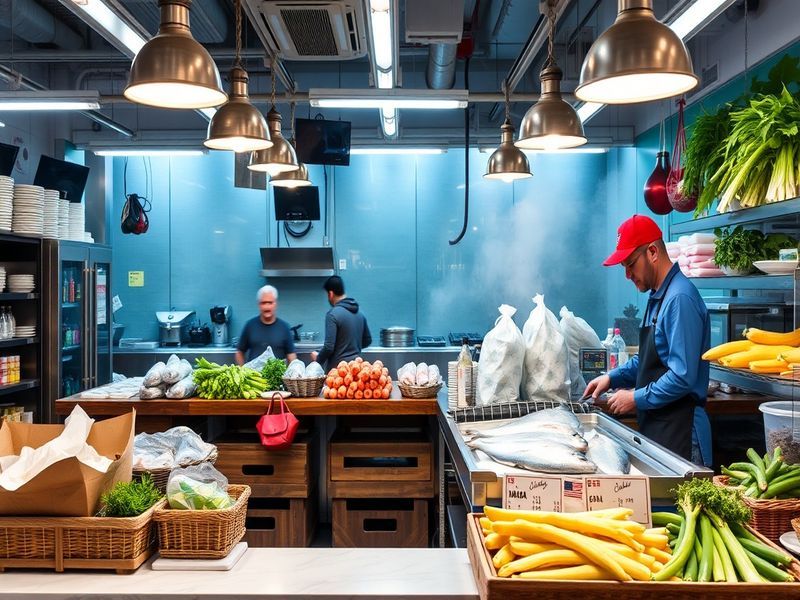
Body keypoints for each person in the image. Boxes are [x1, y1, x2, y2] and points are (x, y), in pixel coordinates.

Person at [584, 215, 712, 465]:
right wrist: (612, 377)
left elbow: (682, 376)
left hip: (683, 431)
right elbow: (647, 359)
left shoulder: (679, 299)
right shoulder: (658, 297)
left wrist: (635, 398)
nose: (628, 275)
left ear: (652, 251)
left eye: (630, 264)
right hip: (662, 427)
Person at [311, 275, 372, 370]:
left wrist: (318, 360)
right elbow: (367, 340)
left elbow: (329, 347)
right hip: (356, 371)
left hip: (338, 373)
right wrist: (352, 347)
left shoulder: (332, 314)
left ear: (330, 294)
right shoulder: (360, 313)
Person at [235, 285, 297, 365]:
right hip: (253, 376)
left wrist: (293, 370)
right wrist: (242, 371)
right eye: (263, 303)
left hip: (277, 376)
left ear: (276, 304)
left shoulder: (284, 327)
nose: (267, 307)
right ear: (259, 305)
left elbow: (291, 355)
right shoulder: (250, 326)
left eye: (270, 303)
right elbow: (239, 352)